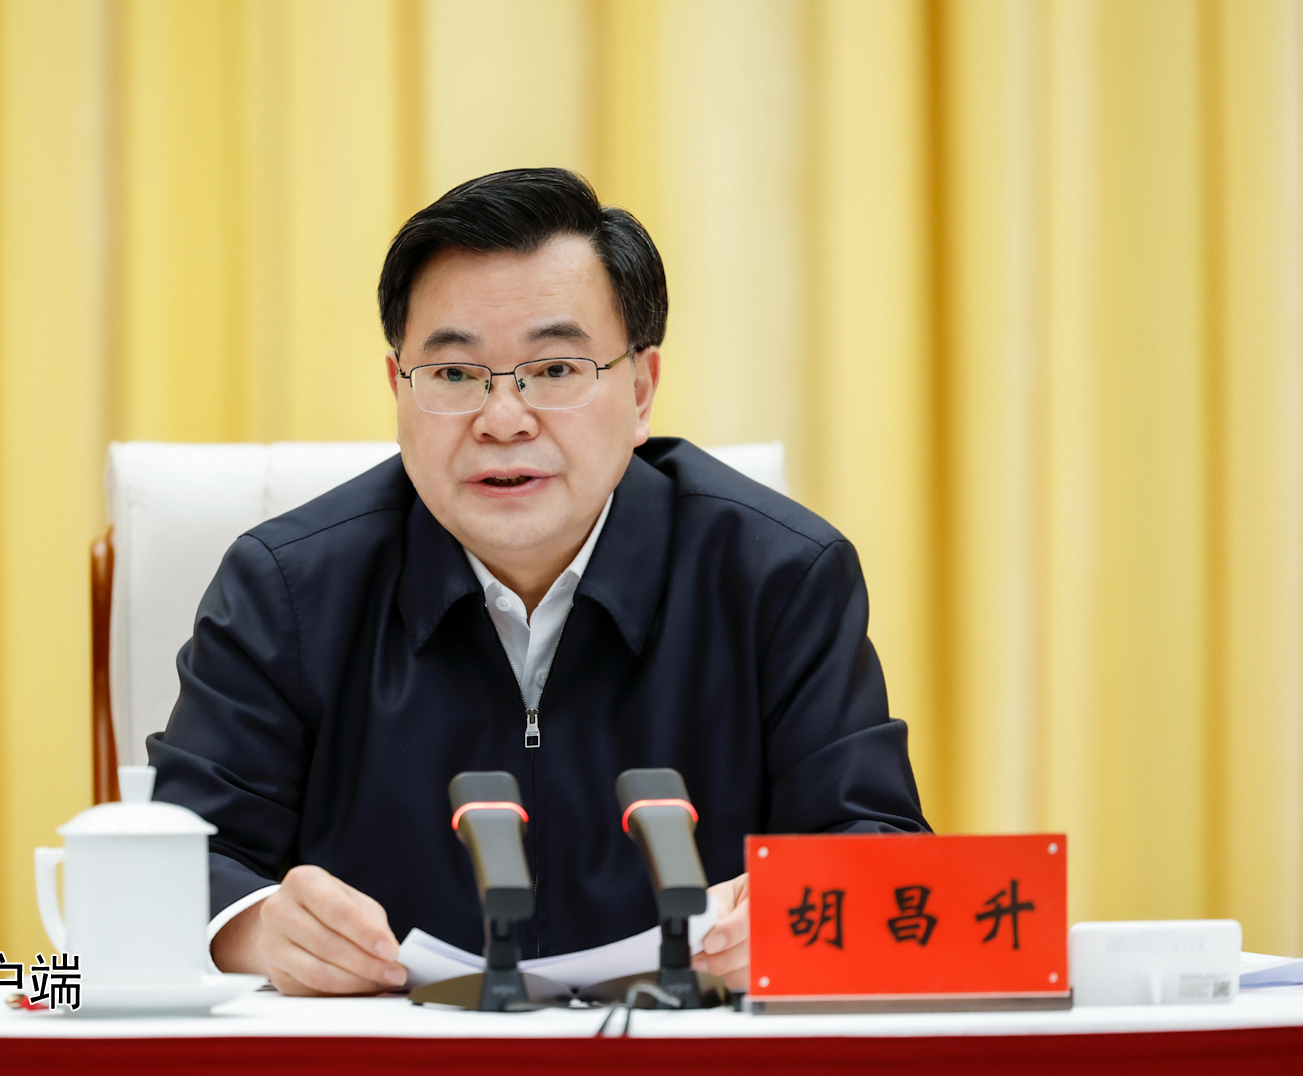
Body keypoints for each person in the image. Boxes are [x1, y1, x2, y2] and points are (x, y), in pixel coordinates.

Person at [148, 168, 928, 997]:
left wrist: (797, 914)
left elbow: (881, 854)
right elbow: (176, 861)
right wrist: (257, 928)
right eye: (454, 375)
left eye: (554, 370)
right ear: (398, 389)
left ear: (640, 390)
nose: (503, 420)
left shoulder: (779, 578)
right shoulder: (287, 591)